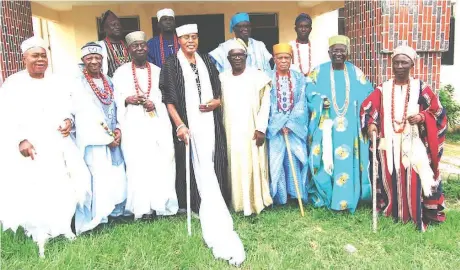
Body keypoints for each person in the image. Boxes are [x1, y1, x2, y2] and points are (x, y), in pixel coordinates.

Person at [160, 24, 245, 265]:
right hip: (188, 125)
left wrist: (215, 103)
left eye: (195, 37)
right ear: (178, 40)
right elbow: (168, 100)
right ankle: (196, 205)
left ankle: (217, 201)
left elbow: (218, 94)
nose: (191, 41)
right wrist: (180, 125)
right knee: (192, 165)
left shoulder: (207, 61)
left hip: (210, 122)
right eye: (186, 37)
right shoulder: (170, 65)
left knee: (213, 161)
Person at [0, 37, 90, 257]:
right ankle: (38, 230)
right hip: (31, 147)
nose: (40, 59)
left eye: (43, 55)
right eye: (35, 55)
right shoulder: (13, 83)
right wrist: (20, 139)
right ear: (24, 58)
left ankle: (63, 227)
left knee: (65, 184)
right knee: (36, 187)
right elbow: (6, 116)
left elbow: (70, 108)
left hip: (58, 143)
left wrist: (69, 122)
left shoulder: (58, 81)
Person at [360, 45, 447, 231]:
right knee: (388, 177)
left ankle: (416, 214)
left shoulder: (421, 88)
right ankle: (391, 211)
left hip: (413, 144)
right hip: (388, 144)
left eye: (404, 62)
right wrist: (371, 124)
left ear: (412, 64)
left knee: (414, 178)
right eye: (396, 62)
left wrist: (422, 117)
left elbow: (437, 111)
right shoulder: (383, 89)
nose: (399, 66)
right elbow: (368, 108)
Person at [113, 31, 178, 220]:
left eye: (142, 45)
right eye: (135, 46)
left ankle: (160, 205)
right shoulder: (121, 72)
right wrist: (127, 99)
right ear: (129, 49)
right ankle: (142, 209)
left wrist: (154, 103)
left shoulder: (158, 71)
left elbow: (166, 97)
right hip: (133, 125)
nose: (140, 48)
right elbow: (115, 98)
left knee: (160, 163)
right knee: (137, 165)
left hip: (155, 123)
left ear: (147, 48)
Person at [307, 35, 373, 213]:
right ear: (329, 53)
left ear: (347, 53)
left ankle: (348, 198)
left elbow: (369, 95)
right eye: (334, 50)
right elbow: (309, 91)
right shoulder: (318, 72)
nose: (338, 54)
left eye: (342, 51)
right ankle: (327, 196)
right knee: (326, 159)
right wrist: (320, 101)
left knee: (348, 163)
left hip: (351, 130)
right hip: (327, 128)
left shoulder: (356, 73)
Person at [71, 42, 128, 234]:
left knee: (117, 174)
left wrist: (119, 128)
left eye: (98, 58)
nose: (94, 61)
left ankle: (114, 212)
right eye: (90, 58)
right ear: (83, 61)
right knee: (99, 178)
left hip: (114, 138)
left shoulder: (109, 81)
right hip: (95, 143)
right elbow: (84, 115)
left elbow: (119, 106)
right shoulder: (78, 84)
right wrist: (105, 138)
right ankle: (99, 217)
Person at [219, 39, 273, 216]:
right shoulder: (223, 77)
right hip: (231, 130)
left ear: (246, 56)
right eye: (233, 56)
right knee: (235, 165)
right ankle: (238, 202)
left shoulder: (257, 76)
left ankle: (255, 201)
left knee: (252, 164)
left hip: (252, 129)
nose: (237, 58)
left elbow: (265, 104)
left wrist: (261, 128)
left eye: (240, 55)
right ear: (228, 58)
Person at [267, 43, 309, 205]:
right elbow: (268, 104)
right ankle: (281, 197)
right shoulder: (268, 78)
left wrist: (290, 123)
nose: (283, 61)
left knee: (297, 158)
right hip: (276, 129)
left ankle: (296, 194)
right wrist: (279, 123)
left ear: (291, 59)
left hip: (294, 128)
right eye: (280, 58)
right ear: (274, 59)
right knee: (277, 160)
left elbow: (302, 103)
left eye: (287, 58)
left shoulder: (299, 78)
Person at [98, 10, 131, 77]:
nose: (117, 27)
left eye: (119, 24)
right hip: (110, 85)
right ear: (105, 28)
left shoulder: (128, 45)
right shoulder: (100, 47)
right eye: (113, 25)